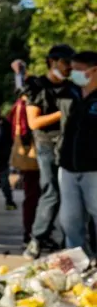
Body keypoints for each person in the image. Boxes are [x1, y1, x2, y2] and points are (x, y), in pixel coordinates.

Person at [24, 44, 78, 259]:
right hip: (47, 145)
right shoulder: (37, 86)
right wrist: (62, 113)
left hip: (70, 146)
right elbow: (33, 122)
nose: (68, 69)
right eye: (65, 63)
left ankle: (70, 242)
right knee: (52, 192)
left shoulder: (73, 87)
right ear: (53, 62)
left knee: (72, 195)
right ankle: (37, 238)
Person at [57, 51, 97, 260]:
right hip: (68, 168)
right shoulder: (71, 93)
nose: (73, 74)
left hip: (93, 170)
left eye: (78, 70)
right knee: (70, 221)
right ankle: (78, 263)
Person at [10, 80, 41, 245]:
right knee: (34, 194)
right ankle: (31, 232)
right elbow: (24, 129)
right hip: (32, 155)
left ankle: (30, 231)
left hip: (26, 155)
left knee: (32, 194)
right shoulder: (26, 104)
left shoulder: (17, 105)